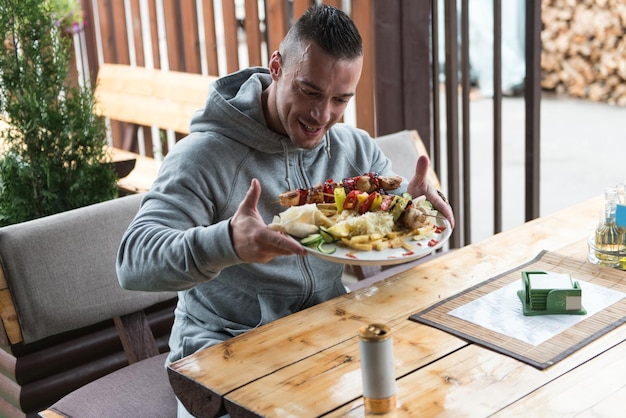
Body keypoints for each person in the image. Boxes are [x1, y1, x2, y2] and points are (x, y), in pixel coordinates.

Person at [116, 4, 454, 416]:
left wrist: (412, 207)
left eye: (340, 99)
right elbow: (132, 261)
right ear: (276, 66)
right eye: (310, 91)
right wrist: (226, 243)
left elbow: (399, 227)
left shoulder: (355, 149)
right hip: (224, 352)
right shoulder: (202, 157)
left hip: (324, 334)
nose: (321, 114)